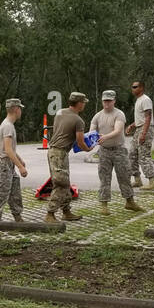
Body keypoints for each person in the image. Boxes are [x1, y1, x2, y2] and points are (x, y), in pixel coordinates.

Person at [91, 90, 141, 216]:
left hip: (119, 150)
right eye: (105, 101)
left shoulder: (119, 114)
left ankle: (129, 201)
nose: (107, 103)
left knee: (124, 176)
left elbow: (118, 130)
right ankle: (104, 204)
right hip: (104, 151)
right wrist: (91, 138)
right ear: (102, 101)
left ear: (114, 101)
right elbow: (91, 131)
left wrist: (105, 137)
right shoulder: (97, 116)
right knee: (104, 178)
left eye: (109, 100)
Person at [45, 92, 90, 222]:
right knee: (61, 184)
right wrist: (89, 148)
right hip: (60, 153)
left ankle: (66, 211)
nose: (84, 105)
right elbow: (80, 142)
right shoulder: (78, 120)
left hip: (54, 151)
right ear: (80, 104)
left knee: (64, 182)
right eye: (84, 103)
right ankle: (50, 213)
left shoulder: (60, 112)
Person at [0, 98, 28, 236]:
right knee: (0, 194)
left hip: (9, 165)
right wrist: (21, 167)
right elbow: (7, 150)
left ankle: (18, 218)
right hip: (3, 166)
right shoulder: (8, 126)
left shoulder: (8, 125)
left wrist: (19, 160)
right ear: (16, 109)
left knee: (15, 192)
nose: (21, 111)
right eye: (20, 108)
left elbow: (10, 148)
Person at [128, 80, 154, 189]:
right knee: (132, 154)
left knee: (144, 156)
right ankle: (137, 180)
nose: (133, 89)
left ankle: (152, 182)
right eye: (132, 87)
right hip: (139, 128)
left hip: (146, 129)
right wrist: (132, 125)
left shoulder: (145, 99)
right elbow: (141, 119)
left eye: (135, 87)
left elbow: (148, 117)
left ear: (141, 88)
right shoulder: (138, 100)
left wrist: (143, 133)